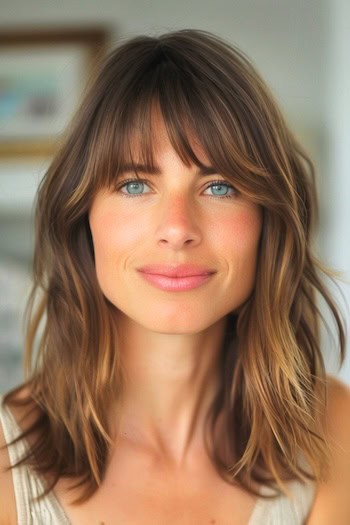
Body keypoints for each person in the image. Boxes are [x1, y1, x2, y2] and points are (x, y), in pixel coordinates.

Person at [0, 28, 349, 525]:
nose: (177, 229)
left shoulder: (338, 432)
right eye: (135, 183)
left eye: (220, 186)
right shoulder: (5, 464)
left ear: (267, 221)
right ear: (83, 217)